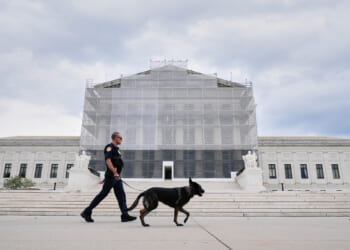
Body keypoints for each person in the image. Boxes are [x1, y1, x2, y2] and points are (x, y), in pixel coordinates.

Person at [81, 132, 136, 223]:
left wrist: (113, 175)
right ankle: (87, 211)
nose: (121, 140)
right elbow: (108, 161)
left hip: (116, 177)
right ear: (115, 138)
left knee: (121, 196)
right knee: (103, 194)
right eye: (120, 138)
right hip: (113, 176)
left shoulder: (117, 149)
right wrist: (113, 174)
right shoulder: (109, 147)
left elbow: (116, 163)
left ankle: (125, 215)